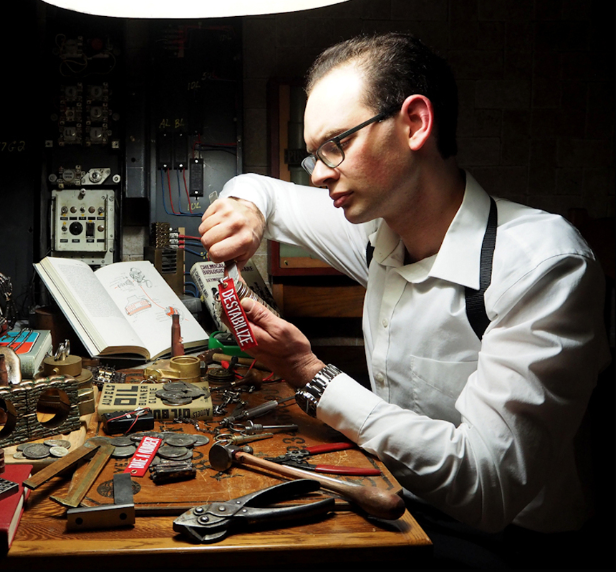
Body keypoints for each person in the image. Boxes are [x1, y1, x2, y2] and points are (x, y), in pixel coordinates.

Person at [199, 32, 611, 566]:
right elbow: (262, 188)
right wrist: (245, 209)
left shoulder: (542, 264)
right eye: (313, 155)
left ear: (415, 122)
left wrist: (309, 374)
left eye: (336, 144)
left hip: (514, 543)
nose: (318, 174)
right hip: (398, 502)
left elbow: (488, 488)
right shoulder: (375, 231)